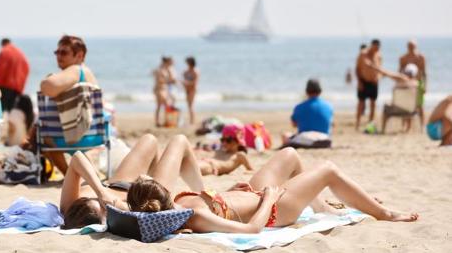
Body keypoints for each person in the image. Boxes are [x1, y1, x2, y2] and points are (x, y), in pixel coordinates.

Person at [127, 146, 418, 234]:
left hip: (249, 194)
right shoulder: (193, 216)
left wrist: (228, 192)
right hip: (274, 210)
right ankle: (385, 214)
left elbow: (220, 205)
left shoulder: (180, 205)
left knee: (290, 154)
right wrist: (269, 198)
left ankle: (321, 207)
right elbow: (251, 230)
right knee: (328, 169)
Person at [60, 133, 204, 229]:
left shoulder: (68, 206)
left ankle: (158, 174)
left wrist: (101, 191)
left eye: (97, 202)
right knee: (180, 141)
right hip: (148, 195)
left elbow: (77, 158)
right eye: (104, 209)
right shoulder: (118, 217)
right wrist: (117, 203)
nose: (103, 203)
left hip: (117, 183)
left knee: (150, 140)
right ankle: (204, 194)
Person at [39, 35, 98, 175]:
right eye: (57, 52)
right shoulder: (88, 73)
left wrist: (48, 79)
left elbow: (47, 87)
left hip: (76, 136)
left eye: (64, 52)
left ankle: (68, 174)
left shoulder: (76, 70)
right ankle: (85, 174)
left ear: (79, 55)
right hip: (93, 135)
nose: (59, 56)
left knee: (43, 136)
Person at [281, 79, 333, 148]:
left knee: (286, 135)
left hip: (305, 138)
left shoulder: (299, 107)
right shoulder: (328, 106)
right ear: (320, 91)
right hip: (324, 138)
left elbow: (294, 124)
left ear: (306, 91)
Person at [369, 63, 419, 134]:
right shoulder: (416, 83)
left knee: (386, 106)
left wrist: (373, 66)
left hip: (397, 109)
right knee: (408, 103)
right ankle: (408, 128)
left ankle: (383, 130)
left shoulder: (402, 78)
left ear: (405, 71)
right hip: (412, 110)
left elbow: (386, 73)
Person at [0, 38, 30, 112]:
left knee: (1, 112)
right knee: (10, 112)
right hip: (17, 88)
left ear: (2, 44)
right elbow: (27, 68)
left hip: (5, 86)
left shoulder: (4, 51)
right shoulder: (20, 53)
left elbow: (0, 69)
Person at [399, 40, 427, 128]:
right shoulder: (403, 58)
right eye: (410, 46)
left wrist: (425, 86)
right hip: (407, 84)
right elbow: (400, 72)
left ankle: (422, 125)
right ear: (407, 47)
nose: (412, 48)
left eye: (413, 46)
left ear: (416, 47)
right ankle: (405, 125)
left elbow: (424, 73)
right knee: (406, 104)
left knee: (420, 105)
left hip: (419, 84)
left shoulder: (421, 57)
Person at [355, 39, 382, 130]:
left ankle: (370, 124)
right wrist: (359, 82)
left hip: (374, 83)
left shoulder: (378, 55)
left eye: (378, 48)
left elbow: (380, 70)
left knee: (373, 104)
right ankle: (357, 124)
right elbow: (357, 69)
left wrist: (378, 77)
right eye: (375, 48)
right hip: (363, 81)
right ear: (371, 46)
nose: (376, 50)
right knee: (361, 103)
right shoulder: (363, 54)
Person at [153, 57, 177, 127]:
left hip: (163, 89)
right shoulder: (160, 70)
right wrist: (169, 81)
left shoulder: (165, 69)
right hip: (160, 89)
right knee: (165, 105)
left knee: (160, 106)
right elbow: (160, 80)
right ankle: (164, 121)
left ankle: (160, 121)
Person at [182, 57, 199, 125]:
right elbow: (183, 77)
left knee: (191, 105)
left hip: (192, 90)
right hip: (187, 89)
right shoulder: (187, 71)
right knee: (189, 105)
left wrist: (187, 83)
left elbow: (195, 82)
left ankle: (192, 121)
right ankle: (191, 120)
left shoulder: (195, 71)